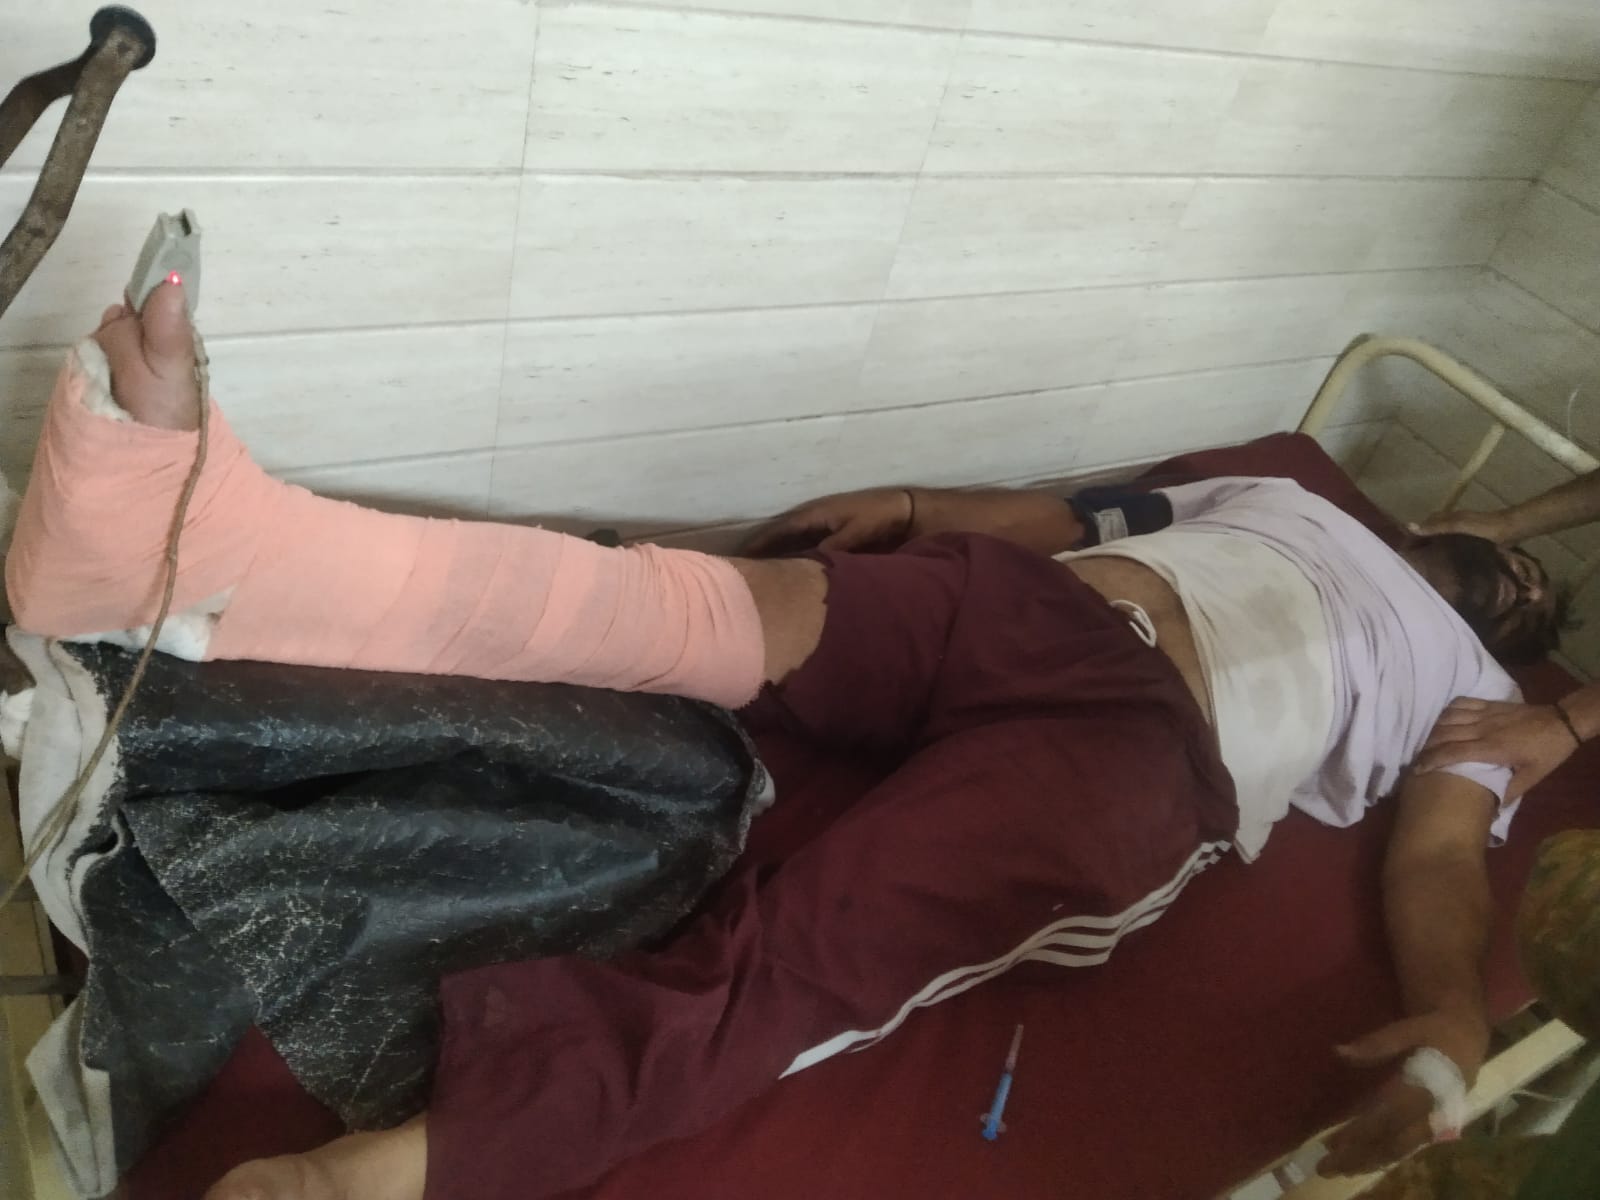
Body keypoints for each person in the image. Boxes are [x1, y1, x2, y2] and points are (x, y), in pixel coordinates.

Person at [1, 284, 1570, 1200]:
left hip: (1163, 757)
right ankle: (199, 542)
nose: (1522, 586)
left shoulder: (1473, 689)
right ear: (1471, 522)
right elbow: (1080, 512)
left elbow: (1441, 851)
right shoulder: (1287, 491)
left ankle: (384, 1172)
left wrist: (1450, 1019)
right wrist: (921, 506)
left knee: (807, 964)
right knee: (658, 607)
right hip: (1023, 603)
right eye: (1519, 562)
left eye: (1538, 601)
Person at [1415, 472, 1600, 800]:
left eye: (1524, 622)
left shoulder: (1480, 692)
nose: (1530, 594)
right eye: (1526, 570)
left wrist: (1569, 721)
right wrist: (1507, 523)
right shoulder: (1331, 525)